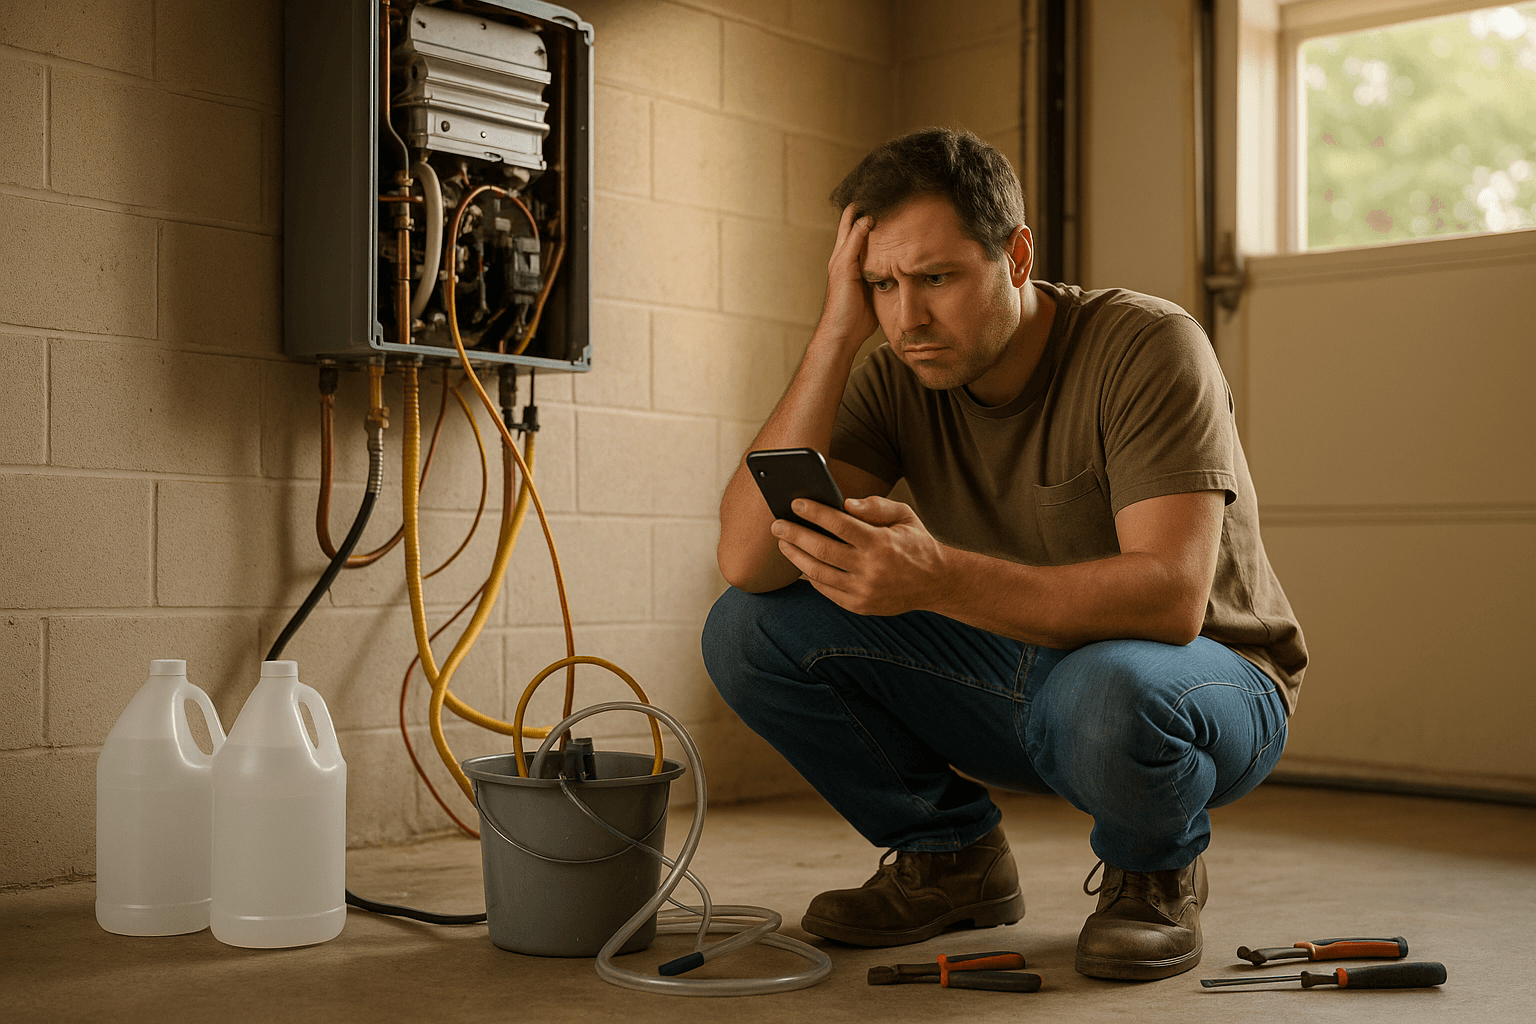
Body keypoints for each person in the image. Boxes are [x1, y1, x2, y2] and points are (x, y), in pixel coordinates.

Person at [700, 127, 1306, 981]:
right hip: (1027, 671)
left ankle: (1152, 874)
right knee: (747, 628)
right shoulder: (897, 370)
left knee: (1107, 686)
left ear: (1016, 256)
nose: (907, 319)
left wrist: (935, 576)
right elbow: (746, 559)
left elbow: (1169, 599)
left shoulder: (1146, 345)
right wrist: (836, 333)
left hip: (1205, 681)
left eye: (936, 278)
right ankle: (951, 859)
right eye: (881, 285)